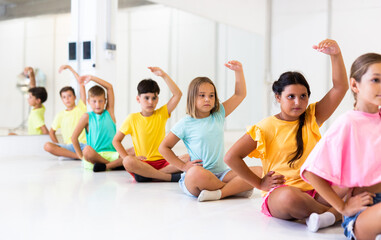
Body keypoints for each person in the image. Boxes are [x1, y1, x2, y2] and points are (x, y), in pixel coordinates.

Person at [224, 39, 349, 231]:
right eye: (291, 96)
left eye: (303, 96)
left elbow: (340, 87)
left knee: (353, 177)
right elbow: (231, 157)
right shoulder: (265, 127)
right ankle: (336, 213)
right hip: (282, 195)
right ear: (278, 97)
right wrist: (259, 183)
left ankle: (326, 214)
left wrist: (335, 55)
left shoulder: (312, 116)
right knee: (289, 197)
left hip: (317, 191)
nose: (298, 102)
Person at [159, 60, 267, 202]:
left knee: (259, 171)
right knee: (194, 174)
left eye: (211, 95)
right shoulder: (185, 123)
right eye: (202, 95)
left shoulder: (218, 114)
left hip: (223, 173)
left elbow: (240, 94)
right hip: (200, 175)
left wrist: (238, 71)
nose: (207, 99)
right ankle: (234, 189)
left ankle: (220, 192)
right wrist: (183, 166)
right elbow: (163, 147)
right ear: (192, 97)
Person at [301, 53, 381, 239]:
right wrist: (343, 206)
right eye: (376, 80)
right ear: (354, 85)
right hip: (365, 209)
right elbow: (310, 172)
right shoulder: (348, 122)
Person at [113, 67, 185, 182]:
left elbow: (178, 95)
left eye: (154, 98)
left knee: (190, 157)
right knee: (127, 161)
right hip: (143, 162)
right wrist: (126, 156)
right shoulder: (132, 118)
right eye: (146, 98)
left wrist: (164, 75)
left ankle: (150, 175)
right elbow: (116, 141)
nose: (151, 102)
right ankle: (167, 177)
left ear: (157, 99)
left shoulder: (162, 113)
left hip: (163, 163)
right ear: (138, 99)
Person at [71, 75, 126, 172]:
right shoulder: (87, 117)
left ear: (105, 101)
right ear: (88, 101)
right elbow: (74, 137)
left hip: (113, 154)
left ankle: (108, 165)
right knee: (87, 150)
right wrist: (81, 156)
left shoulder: (109, 112)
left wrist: (91, 78)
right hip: (95, 155)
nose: (97, 104)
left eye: (100, 101)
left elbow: (109, 87)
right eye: (94, 101)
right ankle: (115, 165)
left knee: (135, 150)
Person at [44, 65, 87, 159]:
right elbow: (51, 132)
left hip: (83, 145)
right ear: (62, 99)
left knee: (91, 150)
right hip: (69, 147)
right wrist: (58, 145)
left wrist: (70, 68)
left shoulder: (81, 107)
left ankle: (78, 155)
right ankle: (78, 157)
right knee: (47, 146)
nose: (67, 99)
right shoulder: (60, 115)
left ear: (75, 97)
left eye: (69, 96)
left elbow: (81, 84)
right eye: (64, 97)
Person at [24, 67, 48, 135]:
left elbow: (45, 131)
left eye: (30, 97)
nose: (28, 99)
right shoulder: (40, 107)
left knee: (11, 134)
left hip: (33, 140)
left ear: (38, 100)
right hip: (32, 139)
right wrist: (31, 73)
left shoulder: (35, 115)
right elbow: (33, 86)